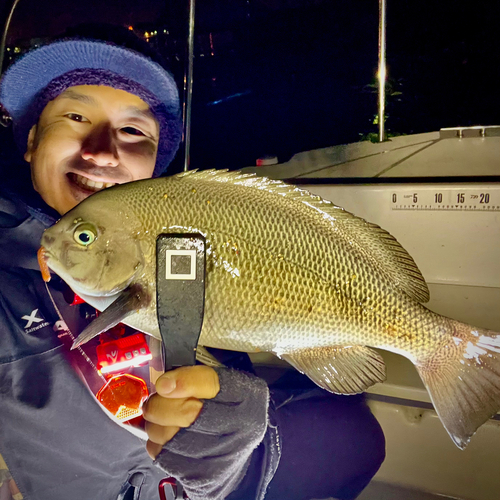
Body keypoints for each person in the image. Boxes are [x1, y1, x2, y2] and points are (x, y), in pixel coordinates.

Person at [0, 26, 385, 500]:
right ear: (32, 139)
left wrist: (230, 452)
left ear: (155, 165)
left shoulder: (179, 244)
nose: (101, 150)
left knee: (359, 439)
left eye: (132, 130)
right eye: (75, 116)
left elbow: (225, 378)